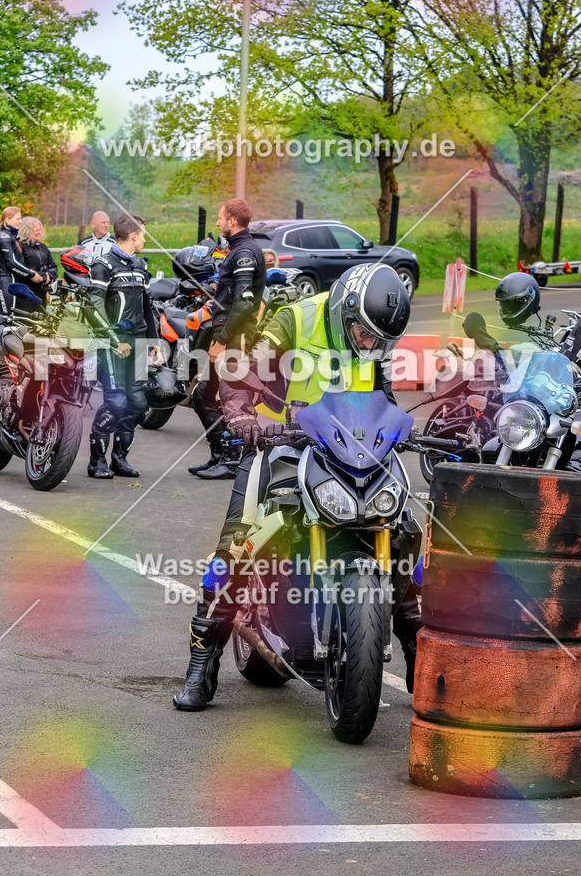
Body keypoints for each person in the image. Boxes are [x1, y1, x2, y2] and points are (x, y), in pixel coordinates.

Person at [173, 261, 423, 711]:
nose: (370, 346)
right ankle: (201, 664)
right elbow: (245, 374)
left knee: (403, 530)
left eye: (381, 342)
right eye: (366, 335)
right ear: (347, 310)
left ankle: (418, 655)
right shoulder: (295, 319)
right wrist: (241, 415)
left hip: (351, 453)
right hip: (281, 447)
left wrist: (403, 429)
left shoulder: (370, 342)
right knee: (236, 546)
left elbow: (381, 397)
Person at [188, 198, 267, 480]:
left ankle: (233, 460)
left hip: (236, 338)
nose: (217, 222)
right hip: (227, 333)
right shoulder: (237, 250)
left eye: (220, 218)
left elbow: (245, 304)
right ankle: (221, 454)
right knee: (204, 395)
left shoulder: (244, 252)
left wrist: (222, 339)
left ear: (232, 221)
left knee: (230, 400)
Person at [84, 213, 163, 479]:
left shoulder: (141, 266)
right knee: (116, 401)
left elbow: (147, 306)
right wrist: (114, 340)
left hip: (140, 343)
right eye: (143, 235)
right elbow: (92, 307)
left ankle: (119, 459)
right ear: (133, 236)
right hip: (112, 344)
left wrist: (155, 342)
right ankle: (97, 461)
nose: (144, 239)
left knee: (138, 403)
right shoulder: (102, 265)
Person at [0, 205, 43, 314]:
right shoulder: (4, 237)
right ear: (7, 219)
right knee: (7, 319)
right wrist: (31, 275)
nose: (21, 221)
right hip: (4, 282)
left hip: (11, 282)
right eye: (17, 219)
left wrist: (29, 272)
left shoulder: (9, 236)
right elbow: (11, 263)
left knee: (13, 319)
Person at [17, 217, 57, 303]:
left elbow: (53, 266)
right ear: (27, 230)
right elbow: (20, 268)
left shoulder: (42, 247)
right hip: (25, 292)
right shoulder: (19, 246)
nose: (39, 232)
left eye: (40, 230)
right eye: (36, 230)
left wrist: (49, 276)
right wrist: (40, 276)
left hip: (41, 290)